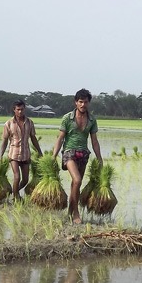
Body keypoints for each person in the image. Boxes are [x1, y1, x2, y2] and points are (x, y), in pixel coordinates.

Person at [52, 89, 103, 224]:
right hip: (69, 153)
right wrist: (53, 156)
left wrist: (99, 159)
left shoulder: (92, 120)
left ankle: (70, 211)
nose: (83, 105)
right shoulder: (67, 118)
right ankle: (75, 213)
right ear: (76, 102)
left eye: (85, 102)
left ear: (89, 103)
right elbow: (60, 138)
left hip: (83, 154)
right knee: (78, 179)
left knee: (76, 184)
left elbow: (94, 141)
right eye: (80, 102)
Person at [0, 99, 43, 200]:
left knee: (25, 180)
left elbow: (33, 138)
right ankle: (16, 197)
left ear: (25, 109)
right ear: (14, 110)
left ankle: (14, 192)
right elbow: (5, 140)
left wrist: (40, 152)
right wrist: (0, 155)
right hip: (14, 154)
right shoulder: (8, 123)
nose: (20, 112)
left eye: (22, 109)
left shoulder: (29, 122)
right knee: (17, 177)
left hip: (25, 154)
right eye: (18, 109)